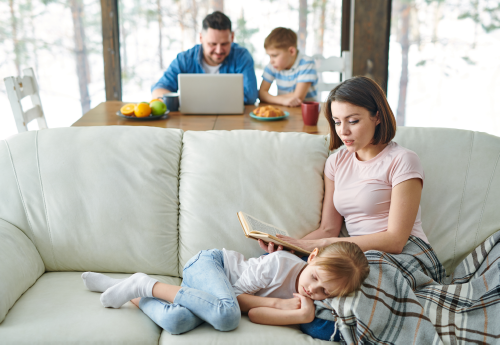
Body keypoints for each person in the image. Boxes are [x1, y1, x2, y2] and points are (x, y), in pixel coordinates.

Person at [81, 242, 369, 335]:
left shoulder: (311, 303)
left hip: (210, 298)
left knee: (176, 321)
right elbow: (238, 300)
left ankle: (128, 288)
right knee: (227, 316)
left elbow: (256, 316)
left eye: (325, 293)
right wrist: (282, 305)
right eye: (316, 277)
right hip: (211, 266)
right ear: (313, 256)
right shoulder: (281, 263)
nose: (313, 291)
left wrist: (302, 316)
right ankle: (145, 282)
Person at [151, 11, 258, 105]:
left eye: (224, 44)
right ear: (201, 38)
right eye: (212, 44)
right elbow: (158, 90)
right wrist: (183, 101)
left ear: (232, 37)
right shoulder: (185, 59)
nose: (219, 50)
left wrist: (201, 100)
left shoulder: (242, 57)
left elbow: (251, 96)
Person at [258, 27, 318, 107]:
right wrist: (283, 101)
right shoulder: (273, 65)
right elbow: (261, 94)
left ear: (291, 51)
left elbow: (298, 97)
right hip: (283, 109)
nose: (271, 61)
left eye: (274, 55)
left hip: (304, 112)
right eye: (269, 56)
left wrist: (271, 98)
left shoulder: (306, 63)